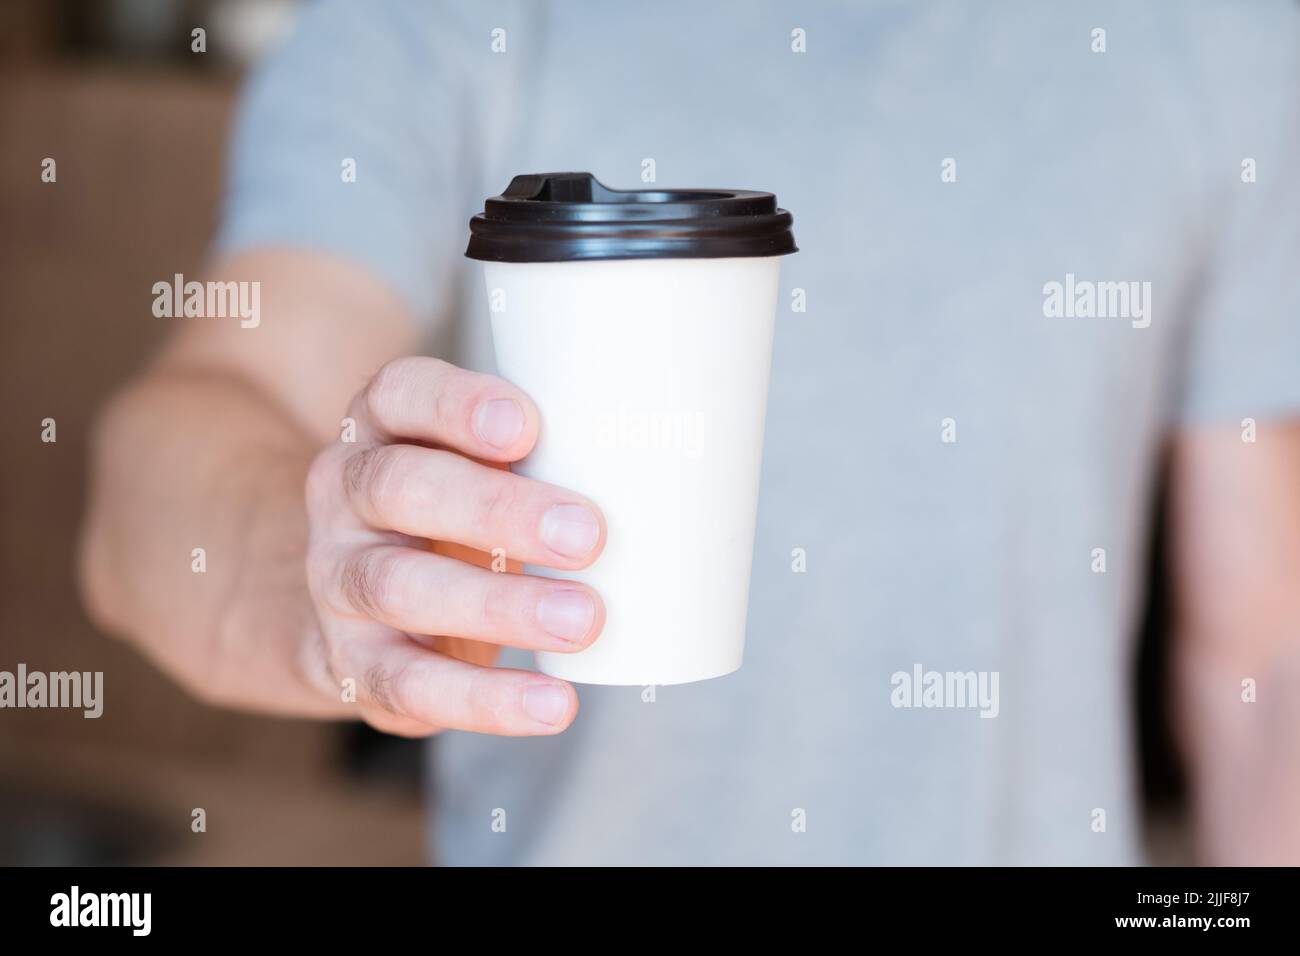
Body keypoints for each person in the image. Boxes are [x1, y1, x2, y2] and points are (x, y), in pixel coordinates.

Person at [79, 0, 1300, 864]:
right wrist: (328, 588)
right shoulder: (436, 19)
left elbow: (1261, 668)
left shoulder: (1214, 30)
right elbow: (174, 458)